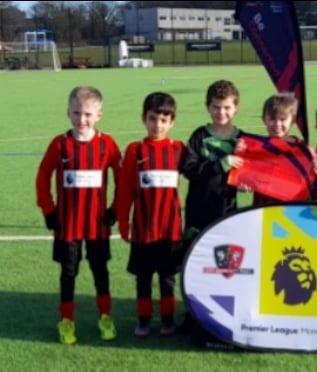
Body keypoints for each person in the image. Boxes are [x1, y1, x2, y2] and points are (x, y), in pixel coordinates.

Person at [35, 85, 121, 345]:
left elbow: (122, 180)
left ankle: (105, 316)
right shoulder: (59, 145)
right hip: (67, 225)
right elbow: (42, 178)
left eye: (87, 114)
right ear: (68, 113)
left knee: (100, 272)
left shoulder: (107, 144)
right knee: (68, 273)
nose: (81, 120)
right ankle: (66, 320)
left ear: (98, 116)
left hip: (97, 225)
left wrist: (115, 209)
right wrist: (49, 210)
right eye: (76, 113)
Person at [116, 92, 185, 337]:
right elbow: (124, 190)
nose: (158, 125)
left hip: (170, 231)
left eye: (164, 120)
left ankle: (168, 321)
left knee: (168, 280)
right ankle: (143, 321)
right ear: (143, 119)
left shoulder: (178, 149)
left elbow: (199, 172)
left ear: (172, 122)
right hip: (143, 230)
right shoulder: (135, 150)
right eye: (153, 119)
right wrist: (123, 222)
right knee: (143, 280)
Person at [179, 80, 245, 333]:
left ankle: (220, 312)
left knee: (224, 265)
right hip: (198, 210)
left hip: (226, 212)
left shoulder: (242, 139)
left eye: (227, 108)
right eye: (216, 107)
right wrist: (221, 163)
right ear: (208, 107)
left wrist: (248, 182)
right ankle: (191, 312)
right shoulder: (200, 136)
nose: (221, 113)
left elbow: (252, 169)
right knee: (194, 262)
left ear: (236, 108)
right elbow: (189, 169)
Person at [249, 92, 317, 206]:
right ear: (263, 119)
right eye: (272, 119)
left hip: (292, 210)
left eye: (283, 119)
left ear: (292, 121)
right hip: (262, 209)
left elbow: (313, 184)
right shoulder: (257, 148)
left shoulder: (303, 150)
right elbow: (247, 179)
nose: (277, 124)